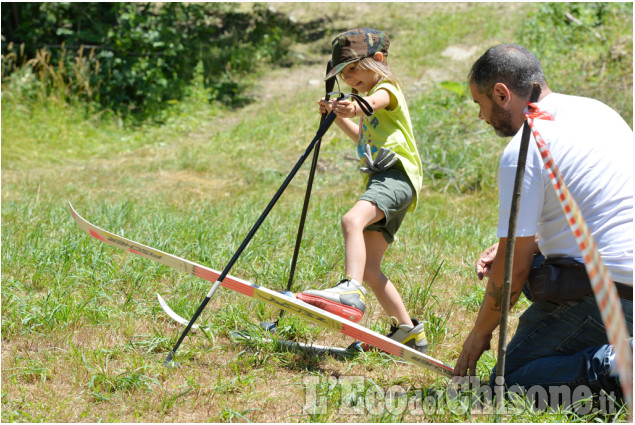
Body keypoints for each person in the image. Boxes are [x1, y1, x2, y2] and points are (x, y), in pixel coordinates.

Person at [454, 44, 633, 405]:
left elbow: (512, 272)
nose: (480, 116)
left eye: (480, 103)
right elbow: (603, 203)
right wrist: (530, 243)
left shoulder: (524, 148)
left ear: (502, 94)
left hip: (610, 294)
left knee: (507, 387)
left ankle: (618, 365)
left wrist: (478, 336)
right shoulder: (597, 110)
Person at [295, 28, 427, 353]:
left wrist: (352, 107)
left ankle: (350, 292)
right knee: (370, 267)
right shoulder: (369, 104)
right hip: (390, 181)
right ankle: (408, 331)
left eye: (353, 68)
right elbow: (363, 138)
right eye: (343, 73)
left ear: (378, 60)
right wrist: (335, 117)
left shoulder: (387, 89)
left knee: (351, 221)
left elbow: (369, 104)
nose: (349, 77)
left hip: (396, 176)